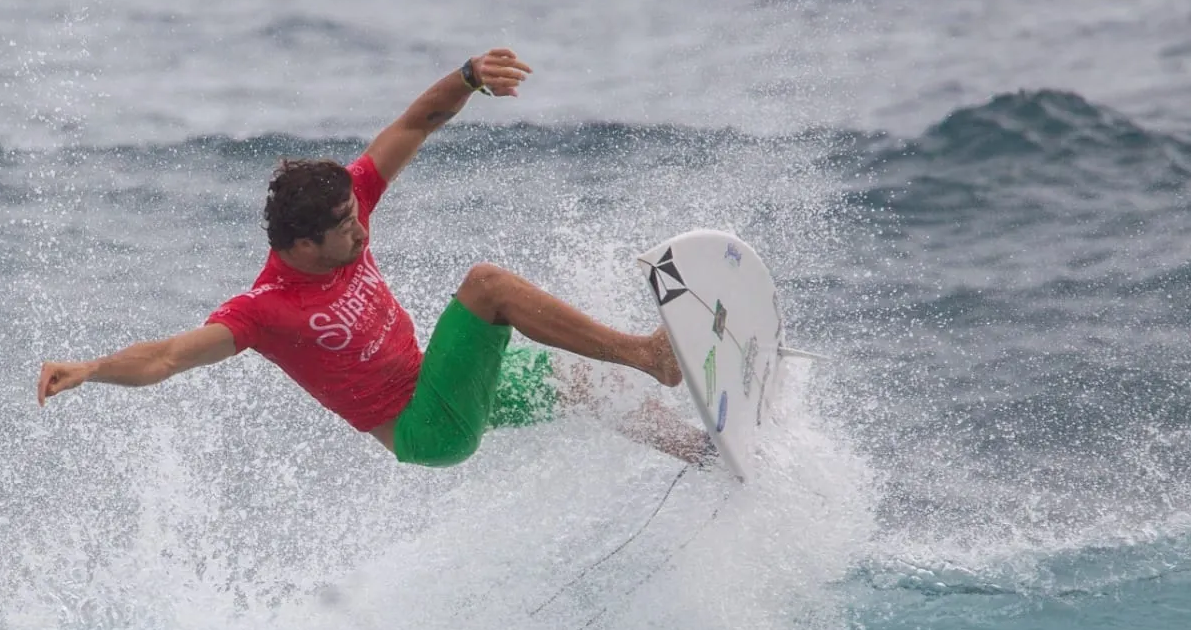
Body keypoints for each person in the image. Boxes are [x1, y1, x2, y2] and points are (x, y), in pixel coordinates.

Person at [35, 48, 703, 467]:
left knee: (578, 380)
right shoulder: (266, 310)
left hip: (438, 381)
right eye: (345, 230)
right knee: (487, 286)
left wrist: (469, 77)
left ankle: (699, 452)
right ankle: (651, 358)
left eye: (359, 218)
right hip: (425, 428)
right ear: (301, 246)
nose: (362, 234)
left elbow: (414, 124)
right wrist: (91, 369)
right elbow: (170, 356)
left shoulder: (345, 209)